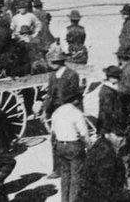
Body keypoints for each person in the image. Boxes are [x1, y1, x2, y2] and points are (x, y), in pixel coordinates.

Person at [41, 48, 81, 179]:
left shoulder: (72, 75)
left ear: (55, 62)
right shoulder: (52, 76)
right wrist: (45, 111)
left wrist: (67, 110)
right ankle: (57, 169)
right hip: (55, 112)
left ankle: (72, 168)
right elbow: (49, 95)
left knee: (69, 139)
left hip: (68, 110)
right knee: (54, 139)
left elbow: (75, 96)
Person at [50, 87, 89, 202]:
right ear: (75, 100)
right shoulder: (77, 113)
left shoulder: (56, 112)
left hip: (60, 146)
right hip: (74, 146)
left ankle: (64, 200)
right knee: (76, 176)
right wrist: (88, 146)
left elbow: (53, 132)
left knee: (65, 176)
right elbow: (84, 134)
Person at [97, 65, 125, 135]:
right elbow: (108, 112)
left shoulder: (109, 88)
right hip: (109, 127)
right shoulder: (108, 91)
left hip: (108, 125)